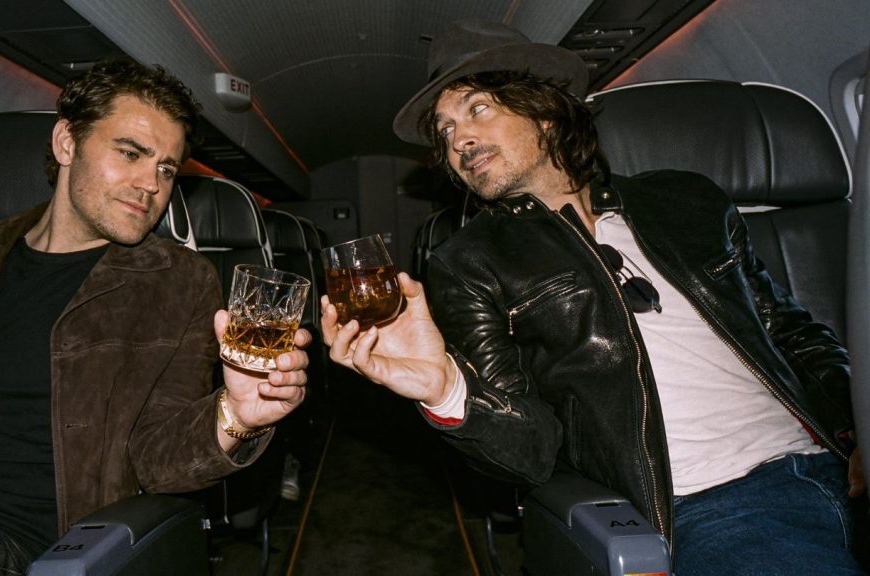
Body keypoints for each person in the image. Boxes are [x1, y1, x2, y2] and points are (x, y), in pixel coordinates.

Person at [322, 19, 865, 575]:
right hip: (716, 499)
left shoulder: (687, 199)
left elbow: (791, 332)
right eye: (445, 131)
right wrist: (446, 389)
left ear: (546, 112)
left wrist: (856, 429)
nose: (458, 141)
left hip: (834, 457)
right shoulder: (470, 263)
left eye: (478, 109)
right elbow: (532, 450)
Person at [0, 59, 309, 575]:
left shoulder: (176, 282)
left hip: (4, 537)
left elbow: (156, 460)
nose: (150, 184)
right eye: (130, 153)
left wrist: (236, 416)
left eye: (166, 168)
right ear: (67, 143)